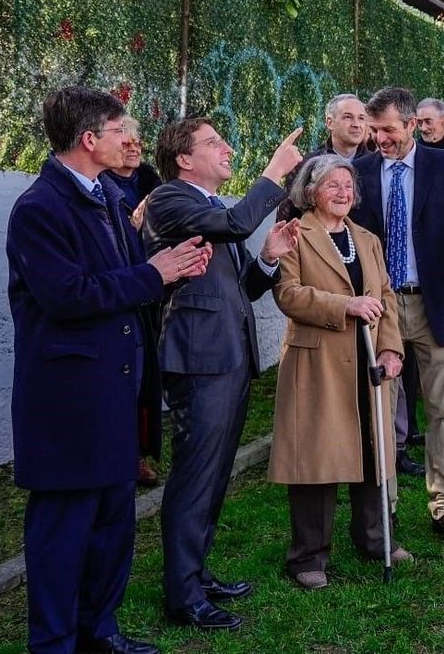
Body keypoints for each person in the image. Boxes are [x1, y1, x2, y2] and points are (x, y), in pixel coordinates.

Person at [6, 86, 209, 654]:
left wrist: (177, 270)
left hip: (116, 394)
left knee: (112, 525)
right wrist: (154, 274)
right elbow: (66, 295)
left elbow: (129, 282)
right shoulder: (40, 208)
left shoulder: (112, 198)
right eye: (122, 131)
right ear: (90, 139)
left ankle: (100, 630)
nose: (132, 140)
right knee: (63, 531)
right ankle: (53, 643)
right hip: (69, 398)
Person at [143, 119, 303, 631]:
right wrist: (275, 172)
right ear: (184, 159)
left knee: (214, 476)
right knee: (194, 477)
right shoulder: (168, 199)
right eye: (214, 142)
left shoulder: (212, 209)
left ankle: (196, 573)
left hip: (229, 360)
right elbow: (237, 225)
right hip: (199, 361)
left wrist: (270, 260)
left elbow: (240, 289)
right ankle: (182, 596)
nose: (228, 148)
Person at [350, 86, 444, 547]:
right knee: (379, 411)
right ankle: (385, 509)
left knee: (442, 409)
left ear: (412, 124)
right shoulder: (360, 170)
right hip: (383, 306)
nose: (380, 139)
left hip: (437, 302)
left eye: (388, 130)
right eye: (374, 131)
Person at [268, 154, 408, 589]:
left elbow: (385, 298)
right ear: (310, 192)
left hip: (367, 364)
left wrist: (391, 350)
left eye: (348, 186)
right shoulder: (295, 234)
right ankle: (307, 556)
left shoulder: (365, 238)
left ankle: (374, 540)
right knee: (316, 458)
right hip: (317, 364)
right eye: (333, 185)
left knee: (373, 448)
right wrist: (344, 306)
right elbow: (288, 294)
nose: (343, 192)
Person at [102, 117, 166, 489]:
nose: (133, 146)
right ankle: (121, 454)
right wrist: (132, 229)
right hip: (121, 293)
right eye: (124, 139)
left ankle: (139, 454)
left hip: (151, 292)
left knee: (146, 381)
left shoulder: (151, 182)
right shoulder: (102, 189)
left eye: (137, 140)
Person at [279, 93, 376, 220]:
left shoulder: (376, 165)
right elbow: (287, 216)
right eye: (348, 117)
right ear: (330, 123)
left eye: (361, 118)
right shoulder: (307, 165)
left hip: (365, 239)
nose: (356, 124)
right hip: (315, 238)